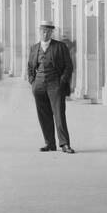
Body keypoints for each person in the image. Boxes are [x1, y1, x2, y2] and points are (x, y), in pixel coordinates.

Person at [26, 20, 75, 153]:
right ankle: (50, 143)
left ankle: (64, 144)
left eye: (48, 31)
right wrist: (33, 82)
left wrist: (61, 82)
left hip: (55, 84)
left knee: (59, 114)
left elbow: (68, 66)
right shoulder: (34, 48)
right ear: (39, 31)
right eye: (42, 30)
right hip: (39, 85)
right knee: (44, 115)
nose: (45, 33)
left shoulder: (60, 46)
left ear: (51, 32)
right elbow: (30, 66)